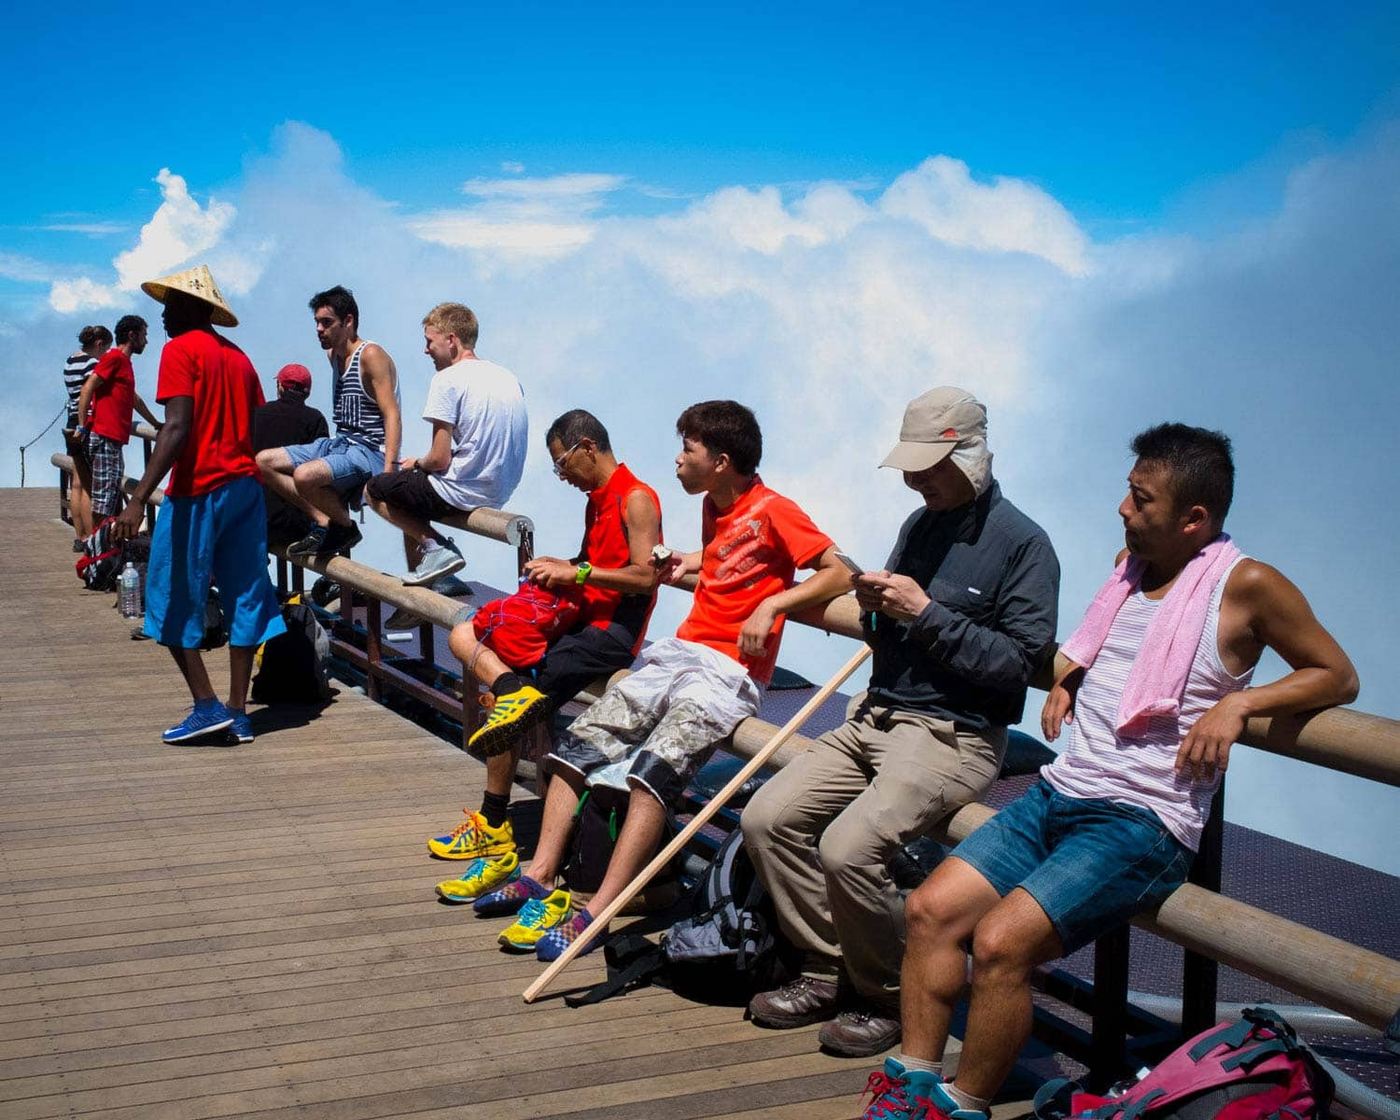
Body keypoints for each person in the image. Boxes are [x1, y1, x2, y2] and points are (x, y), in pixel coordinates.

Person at [860, 423, 1360, 1120]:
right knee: (929, 910)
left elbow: (1337, 676)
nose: (1123, 510)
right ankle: (911, 1086)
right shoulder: (1132, 566)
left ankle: (962, 1105)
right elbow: (1120, 645)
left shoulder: (1247, 585)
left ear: (1196, 518)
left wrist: (1240, 703)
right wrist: (1073, 674)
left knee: (1000, 944)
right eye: (1128, 493)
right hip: (1062, 791)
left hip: (1141, 820)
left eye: (1141, 499)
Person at [468, 400, 850, 963]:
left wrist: (773, 607)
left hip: (727, 673)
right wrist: (684, 563)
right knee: (579, 746)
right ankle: (542, 872)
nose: (677, 460)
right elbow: (726, 561)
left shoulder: (774, 509)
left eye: (687, 449)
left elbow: (840, 570)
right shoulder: (719, 508)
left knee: (655, 770)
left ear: (720, 461)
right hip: (680, 654)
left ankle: (598, 908)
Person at [742, 387, 1060, 1058]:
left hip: (955, 735)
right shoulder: (920, 525)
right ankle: (829, 969)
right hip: (877, 714)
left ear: (970, 456)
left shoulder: (1026, 545)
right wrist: (879, 608)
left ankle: (889, 995)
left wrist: (926, 614)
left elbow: (1018, 667)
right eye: (910, 466)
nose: (914, 480)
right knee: (766, 818)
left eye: (927, 466)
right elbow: (898, 627)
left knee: (848, 846)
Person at [430, 408, 662, 904]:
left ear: (587, 448)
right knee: (484, 654)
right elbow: (594, 562)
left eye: (562, 466)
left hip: (609, 634)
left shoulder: (636, 498)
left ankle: (502, 839)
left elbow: (645, 576)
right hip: (579, 622)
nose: (562, 477)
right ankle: (496, 823)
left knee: (505, 712)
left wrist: (577, 575)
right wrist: (565, 565)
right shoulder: (597, 501)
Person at [112, 265, 287, 746]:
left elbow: (176, 427)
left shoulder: (179, 350)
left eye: (171, 305)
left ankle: (206, 705)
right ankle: (239, 711)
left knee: (168, 597)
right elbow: (252, 426)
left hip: (197, 490)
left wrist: (137, 499)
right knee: (245, 594)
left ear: (195, 308)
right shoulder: (240, 358)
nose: (164, 316)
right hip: (244, 489)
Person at [364, 301, 527, 588]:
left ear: (451, 340)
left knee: (376, 490)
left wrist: (418, 462)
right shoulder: (507, 377)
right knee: (407, 489)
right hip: (500, 489)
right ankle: (430, 577)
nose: (426, 350)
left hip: (465, 490)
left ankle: (436, 548)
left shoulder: (447, 379)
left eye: (429, 341)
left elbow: (439, 460)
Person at [255, 285, 401, 559]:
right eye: (317, 323)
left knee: (305, 475)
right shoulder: (334, 355)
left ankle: (343, 527)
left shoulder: (371, 356)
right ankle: (327, 521)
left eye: (327, 322)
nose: (319, 329)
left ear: (348, 322)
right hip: (341, 444)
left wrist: (390, 470)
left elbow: (391, 413)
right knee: (264, 461)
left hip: (369, 451)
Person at [73, 315, 161, 525]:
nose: (146, 341)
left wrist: (156, 423)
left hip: (112, 439)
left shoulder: (123, 363)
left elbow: (133, 399)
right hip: (104, 436)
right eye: (144, 335)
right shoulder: (114, 358)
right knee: (104, 501)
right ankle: (99, 551)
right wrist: (82, 425)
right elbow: (88, 388)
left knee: (110, 496)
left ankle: (104, 548)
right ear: (132, 335)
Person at [251, 364, 329, 550]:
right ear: (307, 393)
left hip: (258, 516)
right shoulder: (315, 419)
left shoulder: (256, 414)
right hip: (299, 521)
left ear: (280, 386)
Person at [62, 324, 113, 545]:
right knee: (89, 485)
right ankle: (91, 537)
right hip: (88, 423)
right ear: (99, 344)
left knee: (76, 483)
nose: (106, 355)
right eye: (106, 349)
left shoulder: (70, 360)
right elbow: (95, 390)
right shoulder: (93, 363)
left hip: (72, 421)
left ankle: (79, 536)